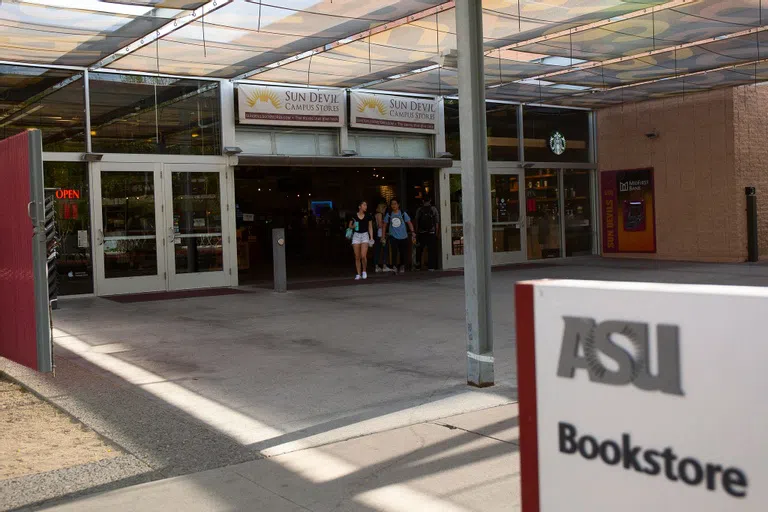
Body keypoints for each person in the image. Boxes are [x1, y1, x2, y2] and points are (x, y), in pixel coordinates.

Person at [383, 197, 414, 274]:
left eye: (395, 204)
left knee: (403, 252)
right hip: (393, 236)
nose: (393, 206)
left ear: (398, 205)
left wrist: (413, 232)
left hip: (403, 236)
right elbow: (384, 225)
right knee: (394, 252)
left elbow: (409, 223)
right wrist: (383, 236)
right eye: (392, 204)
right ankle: (394, 266)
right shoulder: (389, 214)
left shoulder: (403, 213)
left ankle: (402, 265)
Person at [348, 200, 374, 280]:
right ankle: (358, 274)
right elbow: (349, 226)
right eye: (364, 205)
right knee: (357, 256)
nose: (365, 207)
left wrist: (371, 237)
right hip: (356, 236)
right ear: (359, 206)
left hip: (365, 235)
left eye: (366, 205)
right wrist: (354, 226)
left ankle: (364, 271)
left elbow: (370, 227)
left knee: (363, 256)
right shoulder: (354, 216)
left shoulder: (368, 216)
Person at [414, 197, 440, 271]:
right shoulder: (434, 209)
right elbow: (437, 222)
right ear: (430, 200)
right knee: (431, 250)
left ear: (422, 200)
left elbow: (416, 222)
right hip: (431, 232)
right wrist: (436, 233)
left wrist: (416, 232)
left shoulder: (419, 209)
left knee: (419, 249)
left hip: (421, 232)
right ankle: (431, 266)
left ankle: (418, 266)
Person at [373, 201, 391, 273]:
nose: (385, 210)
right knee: (385, 250)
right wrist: (385, 223)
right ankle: (384, 265)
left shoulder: (376, 214)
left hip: (378, 234)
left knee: (377, 250)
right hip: (381, 234)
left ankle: (376, 266)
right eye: (384, 209)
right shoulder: (380, 214)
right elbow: (380, 225)